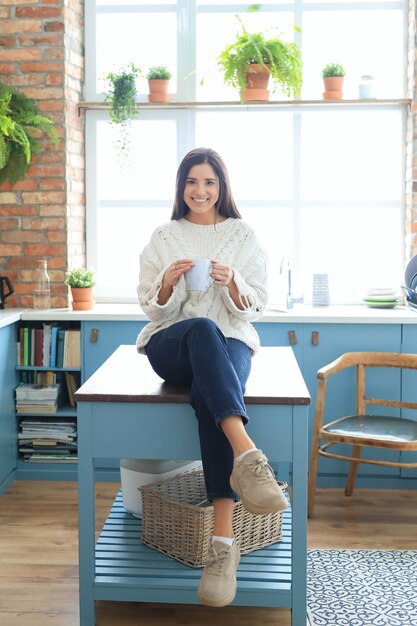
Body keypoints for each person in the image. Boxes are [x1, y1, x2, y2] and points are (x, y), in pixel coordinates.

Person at [136, 147, 288, 608]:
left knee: (211, 393)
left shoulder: (242, 235)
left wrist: (234, 281)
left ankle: (222, 548)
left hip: (232, 340)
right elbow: (149, 305)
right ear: (181, 188)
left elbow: (257, 304)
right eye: (191, 182)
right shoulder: (165, 235)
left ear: (222, 187)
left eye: (209, 182)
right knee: (201, 329)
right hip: (171, 343)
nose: (200, 191)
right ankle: (248, 456)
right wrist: (167, 281)